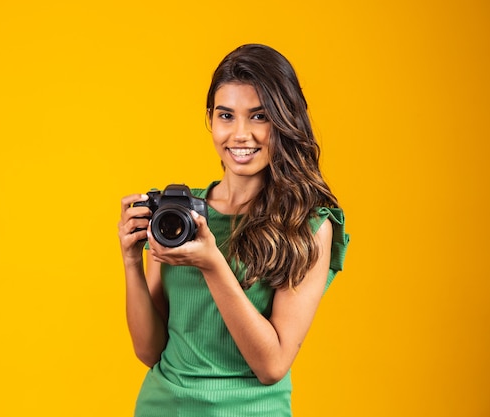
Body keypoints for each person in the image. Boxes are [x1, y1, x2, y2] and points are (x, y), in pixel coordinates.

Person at [117, 44, 349, 417]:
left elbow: (272, 365)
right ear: (211, 119)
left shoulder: (306, 226)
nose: (240, 134)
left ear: (284, 121)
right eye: (226, 115)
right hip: (162, 408)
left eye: (259, 117)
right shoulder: (179, 214)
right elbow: (149, 351)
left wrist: (213, 264)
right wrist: (131, 261)